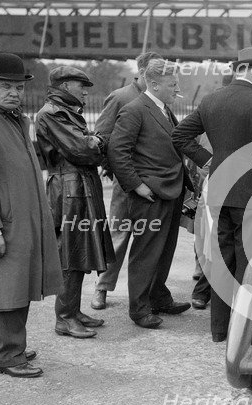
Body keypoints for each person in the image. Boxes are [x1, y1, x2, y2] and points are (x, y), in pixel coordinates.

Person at [172, 47, 252, 342]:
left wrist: (208, 160)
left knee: (221, 263)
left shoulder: (211, 100)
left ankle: (219, 331)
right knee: (250, 263)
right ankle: (246, 334)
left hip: (219, 192)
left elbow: (179, 135)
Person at [0, 52, 63, 377]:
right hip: (3, 224)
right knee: (7, 289)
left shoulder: (10, 116)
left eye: (18, 86)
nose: (14, 92)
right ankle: (8, 356)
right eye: (6, 86)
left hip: (19, 221)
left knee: (10, 285)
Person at [108, 58, 191, 329]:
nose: (176, 88)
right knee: (145, 253)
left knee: (165, 250)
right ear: (153, 84)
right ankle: (140, 309)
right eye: (172, 84)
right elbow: (117, 152)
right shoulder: (134, 110)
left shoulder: (164, 109)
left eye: (177, 83)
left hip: (170, 191)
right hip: (150, 195)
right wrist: (136, 185)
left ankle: (158, 296)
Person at [36, 66, 115, 339]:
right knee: (70, 253)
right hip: (68, 189)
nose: (84, 90)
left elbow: (87, 148)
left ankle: (74, 311)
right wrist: (98, 142)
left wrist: (94, 143)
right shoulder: (52, 113)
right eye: (81, 85)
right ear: (65, 86)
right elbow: (82, 149)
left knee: (81, 251)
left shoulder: (66, 112)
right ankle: (65, 317)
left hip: (79, 186)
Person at [90, 51, 162, 311]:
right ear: (142, 72)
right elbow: (101, 137)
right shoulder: (121, 97)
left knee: (149, 240)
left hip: (153, 183)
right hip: (125, 183)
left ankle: (150, 293)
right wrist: (114, 171)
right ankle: (102, 288)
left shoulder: (158, 99)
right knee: (119, 236)